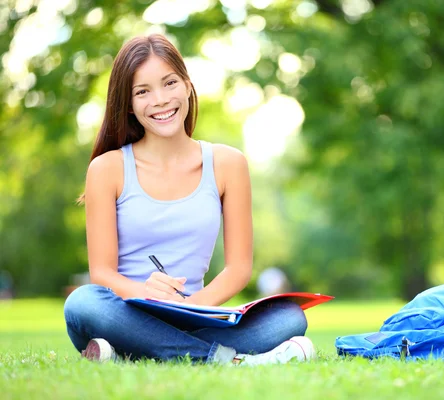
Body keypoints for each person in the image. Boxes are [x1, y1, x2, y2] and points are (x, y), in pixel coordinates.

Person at [63, 34, 315, 365]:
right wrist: (148, 295)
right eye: (143, 91)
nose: (161, 100)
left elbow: (239, 268)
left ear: (187, 85)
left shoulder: (227, 163)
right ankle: (224, 360)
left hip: (197, 315)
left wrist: (189, 306)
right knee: (82, 303)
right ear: (128, 103)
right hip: (125, 315)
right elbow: (102, 273)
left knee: (289, 317)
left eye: (170, 83)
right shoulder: (107, 169)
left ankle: (135, 353)